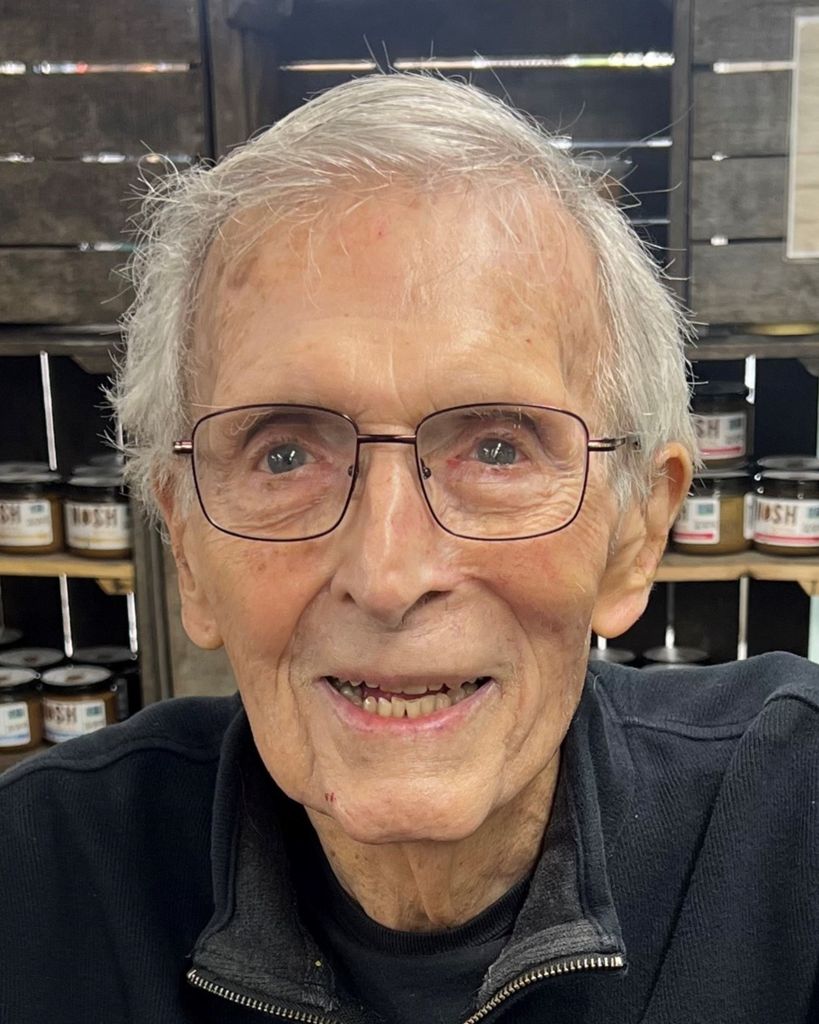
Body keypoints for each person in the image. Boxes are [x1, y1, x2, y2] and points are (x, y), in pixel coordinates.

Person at [2, 74, 817, 1024]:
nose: (387, 576)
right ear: (185, 543)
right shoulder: (39, 876)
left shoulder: (791, 826)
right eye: (285, 454)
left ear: (635, 531)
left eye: (498, 448)